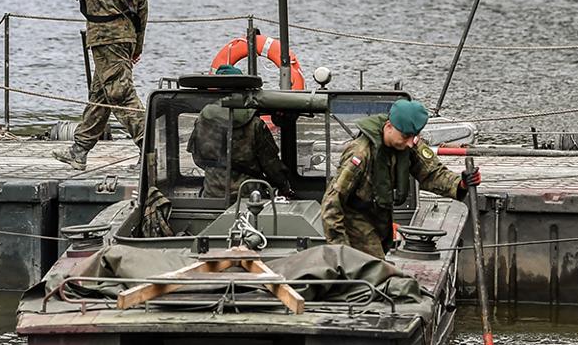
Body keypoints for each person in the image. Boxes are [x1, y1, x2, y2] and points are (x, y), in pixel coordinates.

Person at [1, 0, 148, 169]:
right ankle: (79, 151)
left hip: (106, 38)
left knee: (121, 96)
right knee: (100, 97)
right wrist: (137, 43)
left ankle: (152, 152)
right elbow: (142, 6)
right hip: (123, 36)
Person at [319, 99, 479, 258]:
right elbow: (332, 202)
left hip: (381, 220)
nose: (410, 143)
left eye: (414, 136)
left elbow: (432, 173)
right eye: (406, 136)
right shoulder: (360, 154)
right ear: (389, 126)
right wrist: (340, 251)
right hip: (354, 221)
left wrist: (461, 183)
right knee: (375, 271)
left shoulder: (406, 143)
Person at [190, 65, 295, 199]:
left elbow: (198, 158)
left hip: (212, 193)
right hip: (249, 196)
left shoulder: (202, 120)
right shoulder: (255, 124)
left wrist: (218, 171)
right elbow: (271, 164)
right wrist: (285, 187)